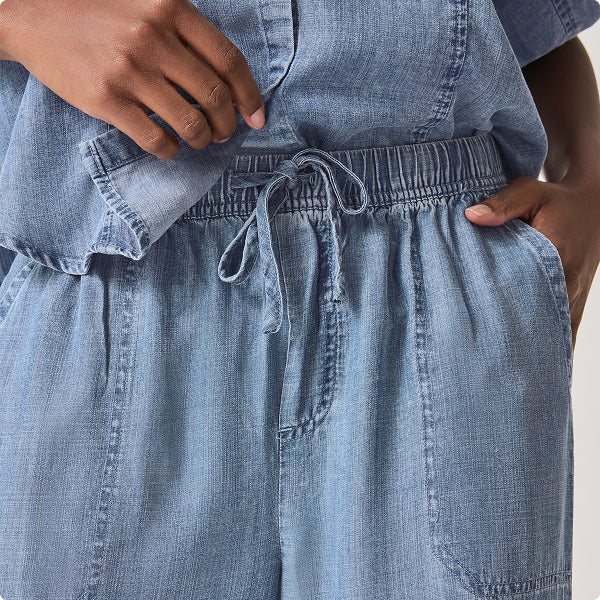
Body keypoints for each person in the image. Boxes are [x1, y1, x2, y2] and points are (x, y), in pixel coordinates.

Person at [0, 0, 599, 598]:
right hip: (116, 273)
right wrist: (20, 18)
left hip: (438, 281)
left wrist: (592, 188)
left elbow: (530, 26)